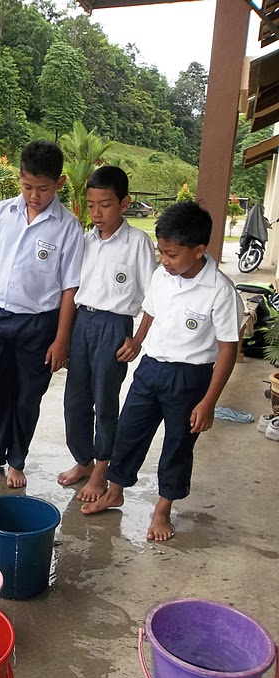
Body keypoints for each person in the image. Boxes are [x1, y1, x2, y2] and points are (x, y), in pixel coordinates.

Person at [81, 201, 244, 541]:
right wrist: (137, 341)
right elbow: (151, 312)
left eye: (171, 254)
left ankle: (162, 509)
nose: (164, 261)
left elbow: (228, 348)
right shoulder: (161, 276)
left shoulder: (220, 291)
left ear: (199, 251)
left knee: (177, 445)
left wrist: (209, 401)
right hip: (151, 369)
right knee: (128, 433)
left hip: (190, 378)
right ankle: (116, 490)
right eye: (161, 252)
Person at [0, 139, 84, 488]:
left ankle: (16, 459)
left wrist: (61, 338)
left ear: (59, 184)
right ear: (18, 178)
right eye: (27, 186)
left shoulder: (68, 227)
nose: (34, 195)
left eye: (43, 188)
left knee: (26, 395)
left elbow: (70, 288)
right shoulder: (1, 215)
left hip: (38, 323)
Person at [58, 166, 157, 501]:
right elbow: (70, 289)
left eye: (106, 204)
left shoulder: (137, 243)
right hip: (81, 323)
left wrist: (137, 339)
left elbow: (153, 298)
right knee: (75, 400)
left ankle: (101, 469)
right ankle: (83, 459)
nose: (97, 213)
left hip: (114, 326)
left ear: (124, 203)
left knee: (105, 399)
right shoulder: (84, 242)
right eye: (91, 205)